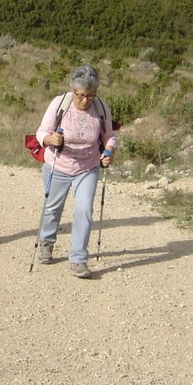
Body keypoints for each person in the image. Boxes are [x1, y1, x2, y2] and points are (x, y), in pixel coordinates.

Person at [34, 65, 116, 278]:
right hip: (58, 164)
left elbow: (109, 136)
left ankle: (78, 259)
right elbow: (42, 131)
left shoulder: (101, 107)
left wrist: (109, 151)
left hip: (87, 167)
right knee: (52, 208)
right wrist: (50, 139)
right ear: (73, 91)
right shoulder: (60, 103)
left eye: (90, 95)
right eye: (80, 95)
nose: (85, 100)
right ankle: (46, 241)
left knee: (84, 211)